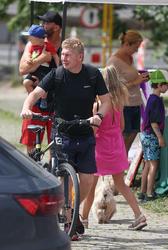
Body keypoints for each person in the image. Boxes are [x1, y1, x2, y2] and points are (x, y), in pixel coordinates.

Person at [20, 37, 111, 239]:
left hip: (85, 131)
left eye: (68, 55)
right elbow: (35, 94)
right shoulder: (57, 75)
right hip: (61, 131)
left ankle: (70, 208)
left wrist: (99, 116)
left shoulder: (93, 75)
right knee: (66, 178)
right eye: (62, 54)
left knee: (87, 180)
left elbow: (106, 101)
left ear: (80, 57)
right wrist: (26, 108)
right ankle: (70, 217)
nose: (63, 58)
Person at [81, 65, 147, 231]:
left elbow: (95, 128)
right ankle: (139, 216)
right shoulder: (119, 103)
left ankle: (84, 219)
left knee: (90, 186)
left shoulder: (98, 104)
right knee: (122, 184)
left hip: (99, 148)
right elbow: (122, 126)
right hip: (116, 146)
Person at [19, 11, 62, 153]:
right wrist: (41, 58)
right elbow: (23, 69)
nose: (42, 25)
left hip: (56, 103)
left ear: (56, 27)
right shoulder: (32, 44)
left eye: (46, 23)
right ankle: (33, 172)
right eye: (42, 22)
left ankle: (55, 174)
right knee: (31, 144)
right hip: (36, 102)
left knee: (56, 146)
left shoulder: (66, 47)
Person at [107, 30, 149, 154]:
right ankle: (118, 164)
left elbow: (128, 77)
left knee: (133, 134)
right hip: (124, 104)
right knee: (124, 136)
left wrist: (141, 78)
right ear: (127, 44)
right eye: (135, 47)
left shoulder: (129, 58)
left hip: (135, 103)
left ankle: (122, 163)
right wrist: (136, 82)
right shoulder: (113, 61)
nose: (136, 51)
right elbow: (111, 86)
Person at [138, 69, 168, 202]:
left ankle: (142, 191)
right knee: (154, 165)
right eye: (166, 84)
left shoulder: (152, 98)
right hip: (152, 136)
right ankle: (149, 193)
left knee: (147, 164)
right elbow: (154, 123)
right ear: (160, 85)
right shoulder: (156, 101)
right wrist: (160, 137)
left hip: (145, 135)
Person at [22, 24, 59, 94]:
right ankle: (33, 99)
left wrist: (59, 68)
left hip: (44, 69)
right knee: (26, 82)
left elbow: (55, 56)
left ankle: (43, 101)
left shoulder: (47, 45)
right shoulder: (31, 45)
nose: (28, 39)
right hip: (34, 70)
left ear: (38, 38)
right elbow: (28, 54)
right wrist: (28, 59)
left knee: (43, 87)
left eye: (30, 37)